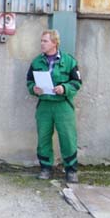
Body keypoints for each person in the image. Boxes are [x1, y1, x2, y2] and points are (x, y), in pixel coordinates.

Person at [26, 29, 82, 183]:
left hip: (63, 105)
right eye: (41, 41)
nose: (42, 44)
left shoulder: (69, 61)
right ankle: (45, 168)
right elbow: (29, 81)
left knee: (68, 138)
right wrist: (33, 89)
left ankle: (71, 170)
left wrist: (64, 88)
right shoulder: (36, 62)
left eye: (45, 41)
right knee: (43, 137)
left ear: (55, 43)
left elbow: (77, 82)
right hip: (44, 105)